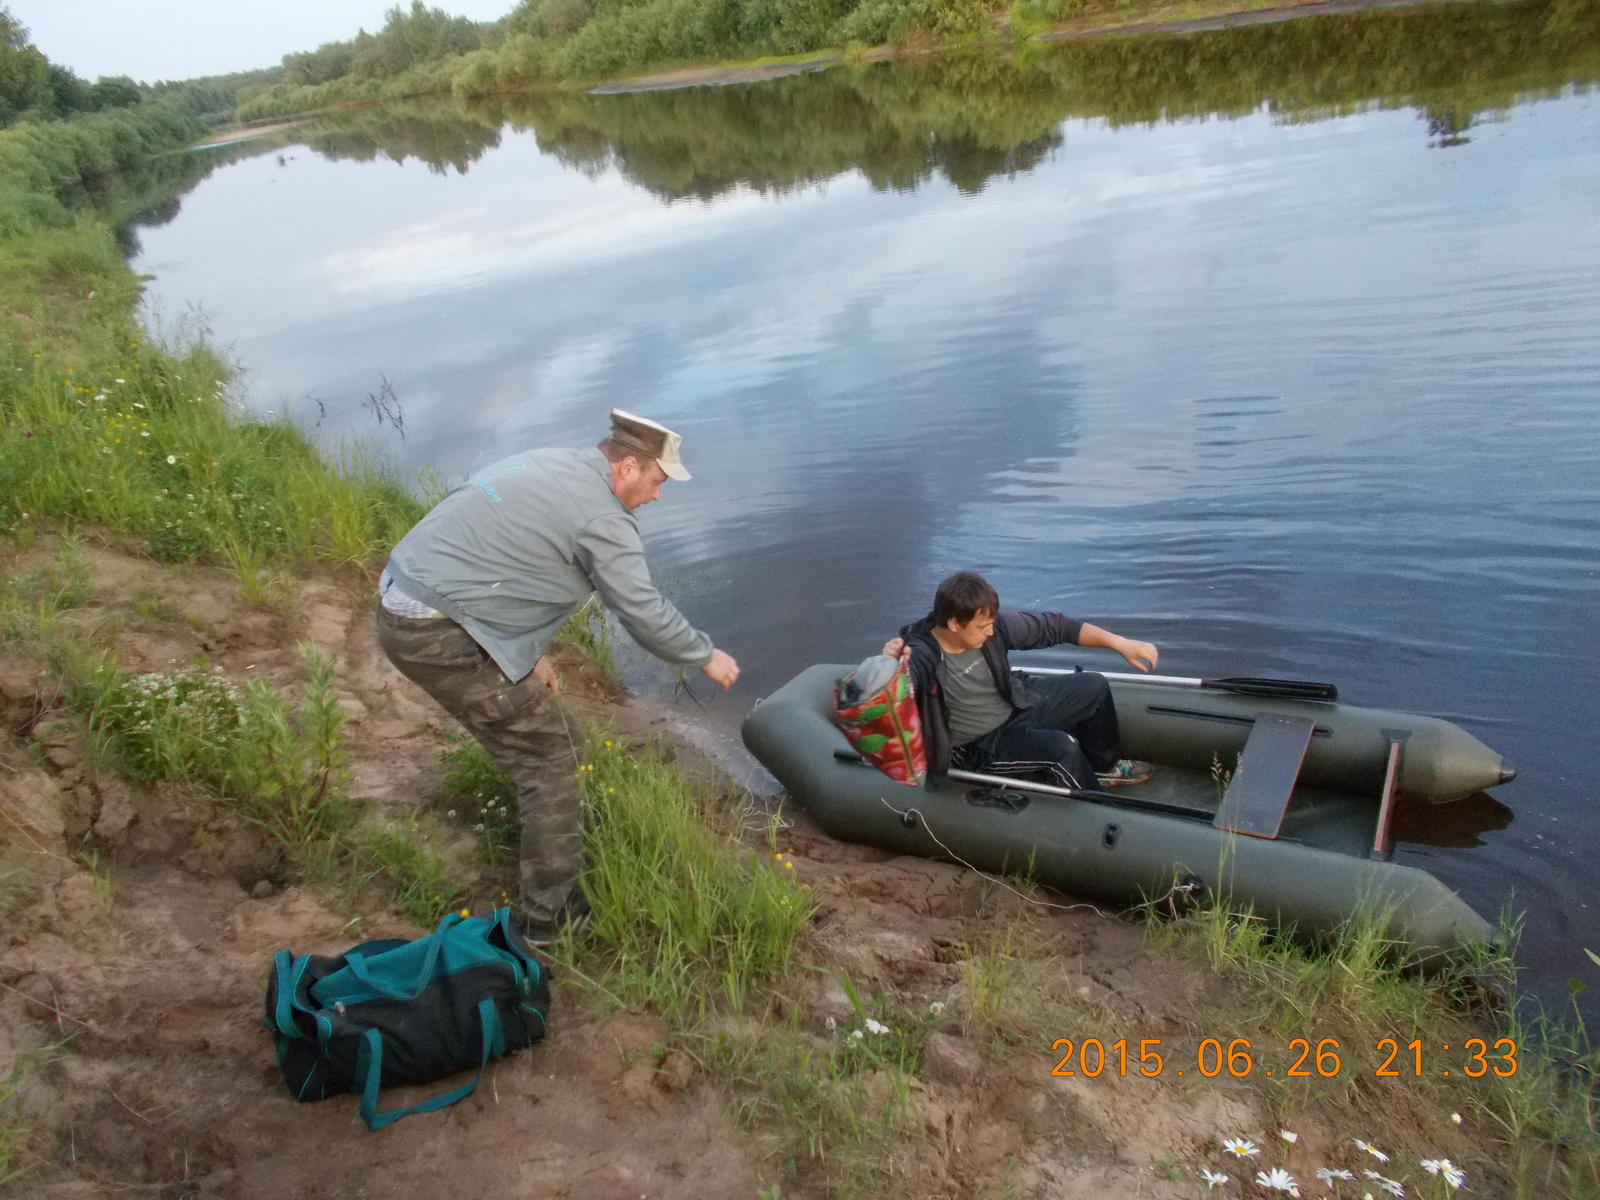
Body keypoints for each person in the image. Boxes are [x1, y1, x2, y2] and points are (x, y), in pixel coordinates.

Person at [376, 410, 739, 942]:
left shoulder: (551, 463)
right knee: (552, 754)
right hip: (434, 631)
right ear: (628, 467)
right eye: (658, 483)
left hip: (404, 594)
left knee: (546, 739)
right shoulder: (604, 518)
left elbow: (514, 559)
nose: (659, 496)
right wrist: (704, 655)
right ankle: (552, 918)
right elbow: (639, 609)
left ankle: (540, 838)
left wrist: (526, 650)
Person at [882, 570, 1156, 793]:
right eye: (981, 627)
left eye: (991, 623)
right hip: (981, 745)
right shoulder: (922, 656)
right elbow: (894, 687)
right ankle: (1097, 812)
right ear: (954, 624)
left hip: (1014, 704)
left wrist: (1120, 643)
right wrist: (890, 665)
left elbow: (1057, 627)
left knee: (1093, 687)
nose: (990, 632)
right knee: (1062, 749)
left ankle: (1102, 767)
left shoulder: (992, 626)